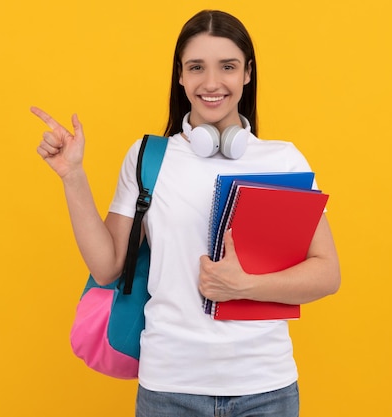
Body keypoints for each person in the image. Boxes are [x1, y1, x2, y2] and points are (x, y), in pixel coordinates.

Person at [32, 9, 340, 417]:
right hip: (169, 389)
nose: (211, 83)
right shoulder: (148, 157)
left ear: (247, 73)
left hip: (266, 387)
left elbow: (326, 274)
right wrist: (73, 176)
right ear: (180, 75)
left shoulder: (282, 160)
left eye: (227, 66)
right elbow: (106, 267)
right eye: (197, 67)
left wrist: (242, 286)